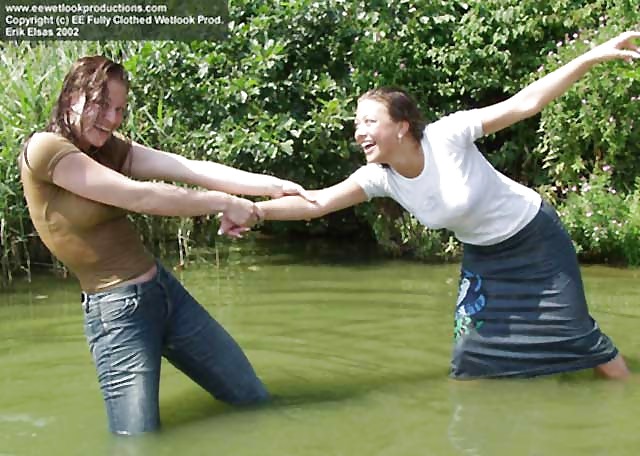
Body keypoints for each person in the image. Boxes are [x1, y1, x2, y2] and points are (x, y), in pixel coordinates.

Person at [222, 31, 640, 380]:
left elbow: (525, 104)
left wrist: (593, 55)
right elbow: (317, 203)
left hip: (535, 238)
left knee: (578, 335)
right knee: (471, 357)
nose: (359, 132)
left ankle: (624, 401)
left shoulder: (448, 135)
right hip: (484, 257)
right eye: (356, 125)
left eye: (369, 122)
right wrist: (257, 211)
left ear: (401, 126)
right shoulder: (378, 178)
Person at [19, 55, 315, 435]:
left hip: (164, 293)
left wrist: (268, 185)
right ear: (72, 95)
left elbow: (185, 166)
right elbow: (139, 197)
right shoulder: (45, 149)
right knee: (137, 441)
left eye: (120, 109)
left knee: (250, 396)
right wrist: (222, 203)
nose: (111, 118)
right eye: (101, 104)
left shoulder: (108, 147)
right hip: (116, 314)